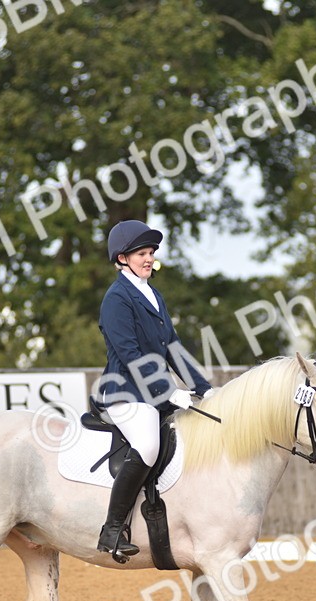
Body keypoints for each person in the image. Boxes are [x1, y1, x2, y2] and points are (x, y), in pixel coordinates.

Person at [94, 220, 214, 562]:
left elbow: (172, 347)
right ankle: (113, 530)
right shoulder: (116, 299)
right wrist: (166, 390)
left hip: (152, 392)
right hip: (126, 392)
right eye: (141, 254)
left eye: (150, 253)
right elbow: (130, 355)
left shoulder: (152, 293)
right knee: (147, 445)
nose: (149, 259)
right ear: (122, 259)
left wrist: (202, 388)